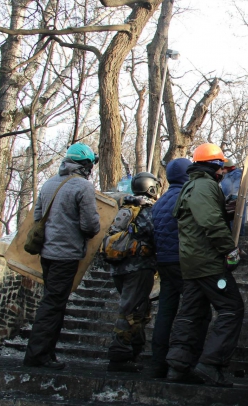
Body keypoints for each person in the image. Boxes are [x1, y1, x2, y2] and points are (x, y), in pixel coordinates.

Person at [166, 143, 244, 387]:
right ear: (215, 165)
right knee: (232, 308)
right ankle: (210, 365)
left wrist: (226, 212)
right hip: (208, 264)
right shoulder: (205, 185)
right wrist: (230, 250)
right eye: (222, 167)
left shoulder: (192, 185)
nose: (223, 172)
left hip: (191, 263)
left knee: (192, 312)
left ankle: (178, 366)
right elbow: (209, 222)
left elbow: (204, 216)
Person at [23, 143, 100, 370]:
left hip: (47, 252)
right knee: (53, 304)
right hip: (66, 254)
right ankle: (37, 355)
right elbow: (90, 224)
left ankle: (47, 353)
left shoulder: (49, 184)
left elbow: (37, 216)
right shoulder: (82, 186)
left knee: (52, 301)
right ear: (85, 165)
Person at [150, 158, 211, 379]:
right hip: (185, 262)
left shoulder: (160, 201)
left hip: (164, 262)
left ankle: (158, 363)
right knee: (195, 310)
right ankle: (185, 362)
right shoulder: (189, 196)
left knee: (166, 311)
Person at [106, 172, 159, 372]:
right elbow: (156, 234)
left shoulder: (124, 206)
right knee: (129, 312)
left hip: (118, 267)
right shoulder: (147, 210)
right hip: (139, 268)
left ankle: (134, 351)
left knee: (138, 310)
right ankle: (119, 355)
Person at [220, 160, 247, 235]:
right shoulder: (226, 175)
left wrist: (233, 198)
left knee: (236, 222)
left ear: (227, 167)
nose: (222, 171)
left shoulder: (237, 173)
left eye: (223, 169)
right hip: (227, 199)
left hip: (235, 200)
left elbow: (236, 188)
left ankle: (238, 238)